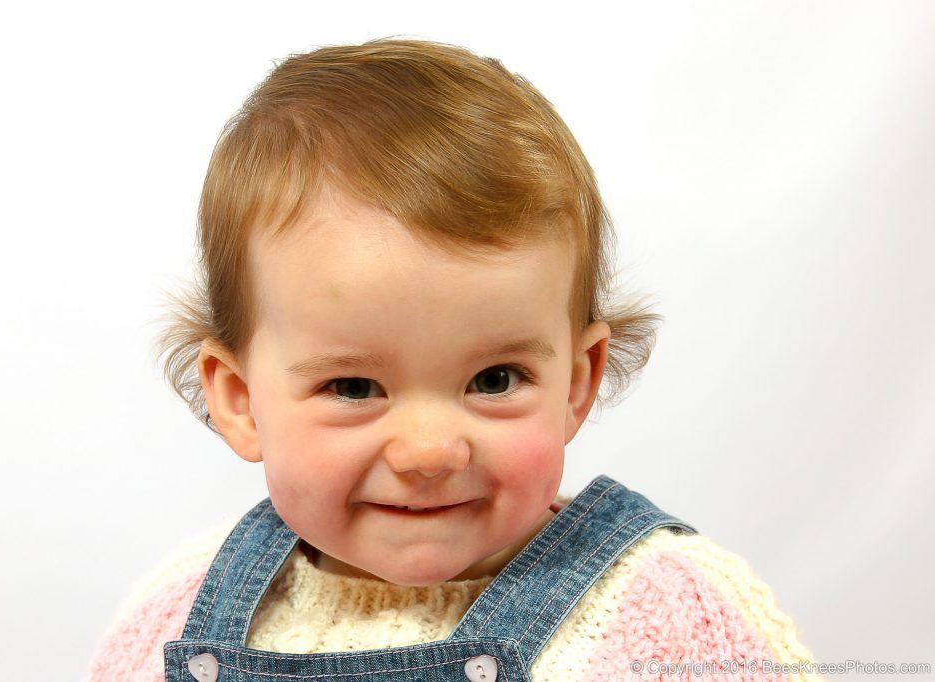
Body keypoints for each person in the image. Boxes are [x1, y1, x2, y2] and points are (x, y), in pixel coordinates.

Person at [82, 38, 821, 681]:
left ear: (577, 381)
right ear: (239, 399)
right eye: (354, 385)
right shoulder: (176, 618)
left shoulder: (675, 615)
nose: (430, 451)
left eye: (494, 380)